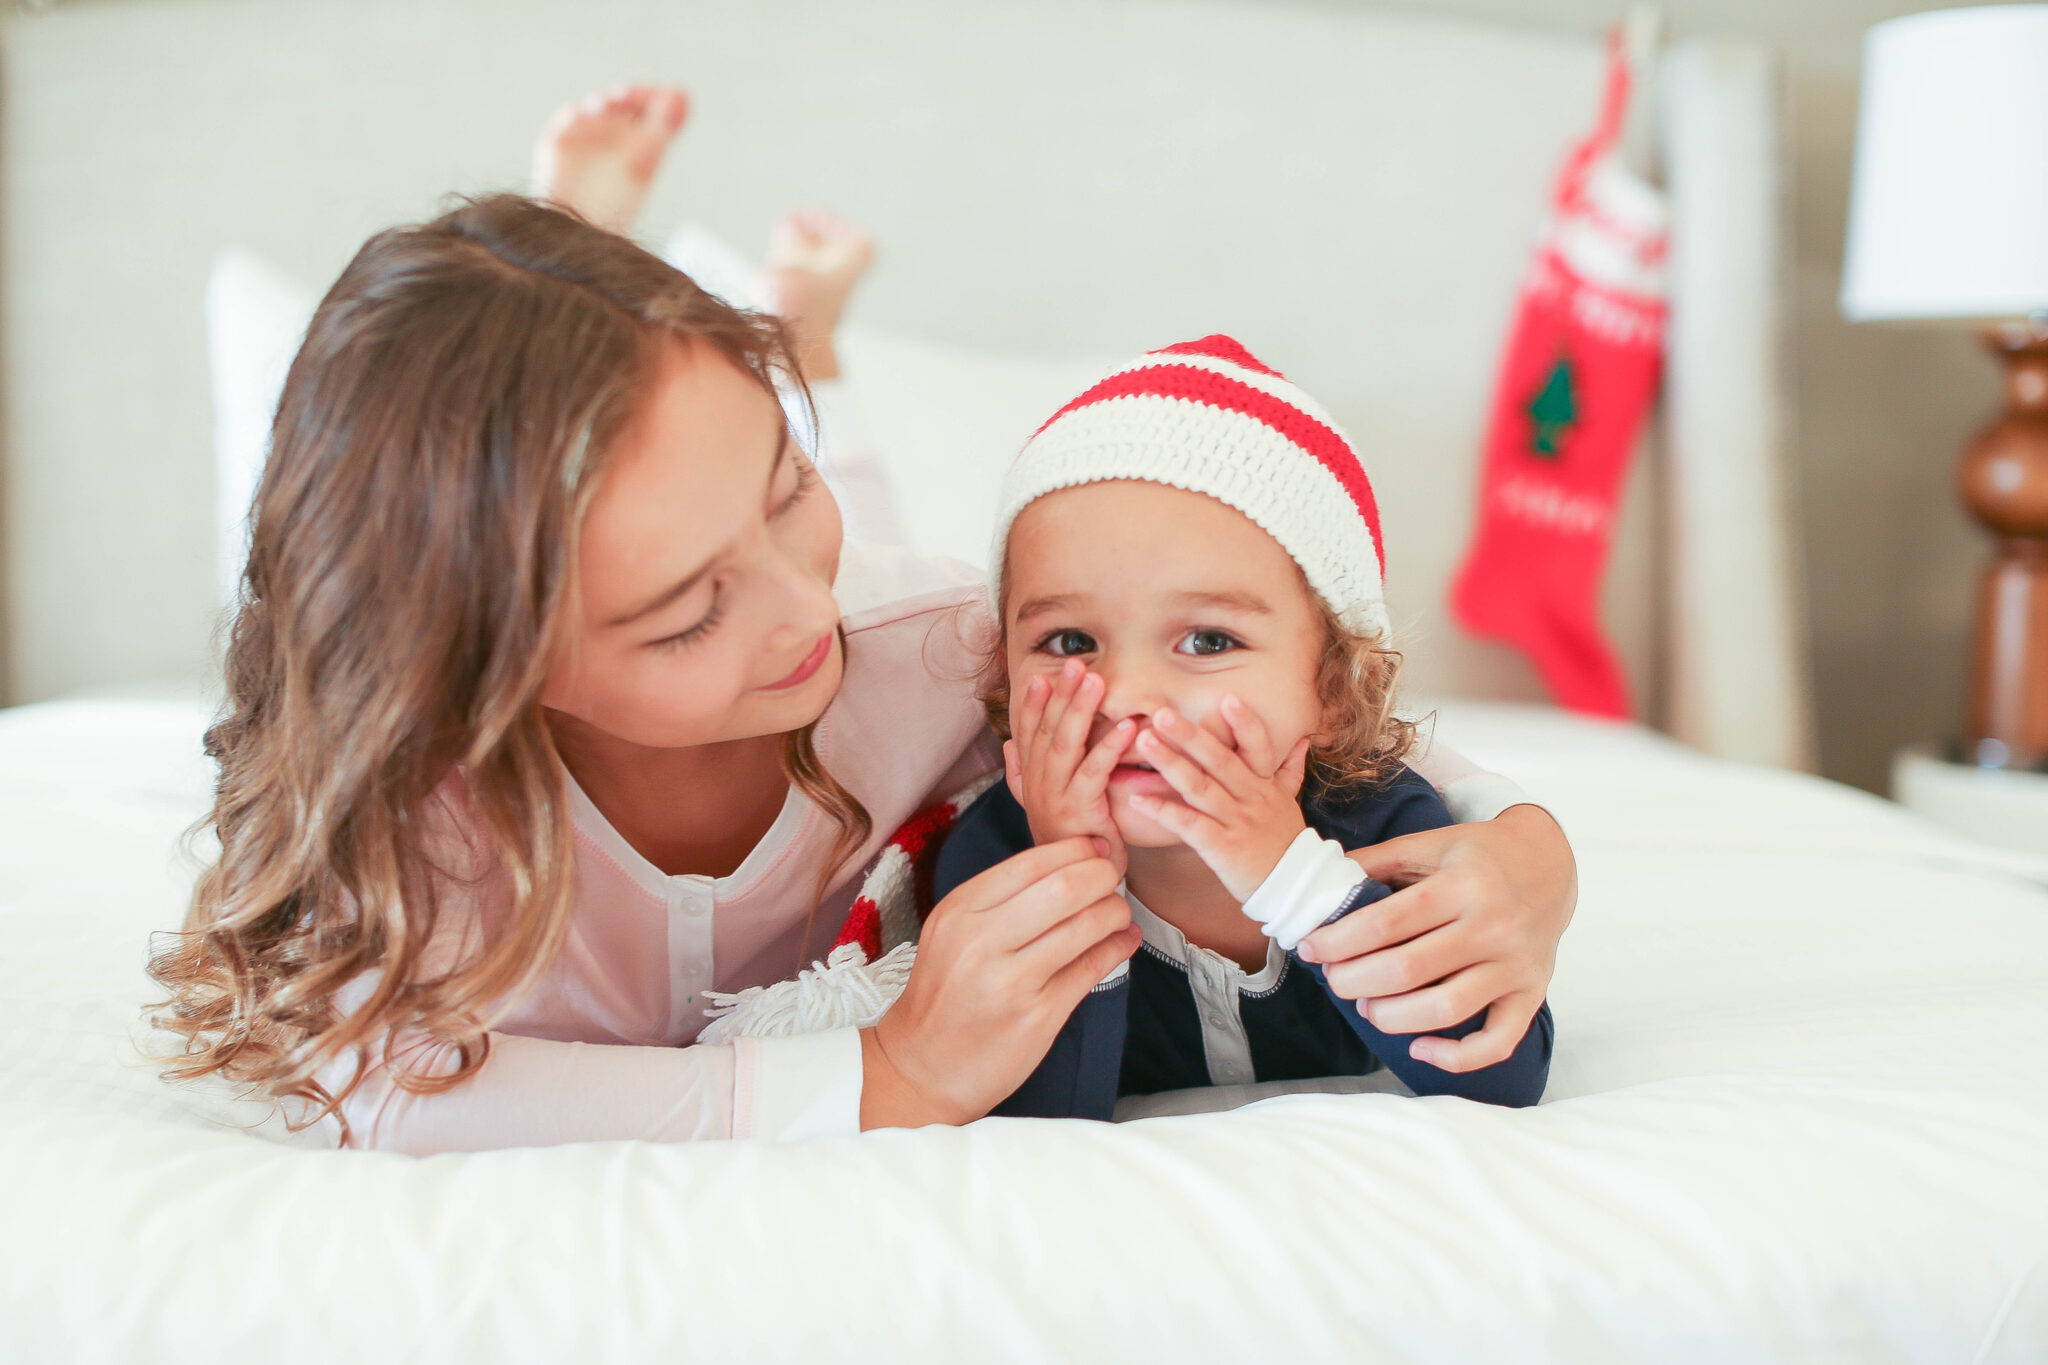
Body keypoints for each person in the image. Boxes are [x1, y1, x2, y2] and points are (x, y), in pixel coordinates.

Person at [146, 88, 1576, 1153]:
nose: (798, 613)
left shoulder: (935, 650)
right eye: (687, 610)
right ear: (487, 680)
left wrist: (1529, 858)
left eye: (783, 488)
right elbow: (373, 1078)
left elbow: (1329, 747)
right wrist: (887, 1075)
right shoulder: (425, 808)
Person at [931, 336, 1553, 1118]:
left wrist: (1291, 877)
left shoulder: (1384, 827)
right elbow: (1039, 1120)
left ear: (1335, 688)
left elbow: (1498, 1075)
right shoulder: (993, 859)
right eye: (1070, 642)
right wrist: (1071, 873)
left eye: (1208, 641)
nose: (1126, 696)